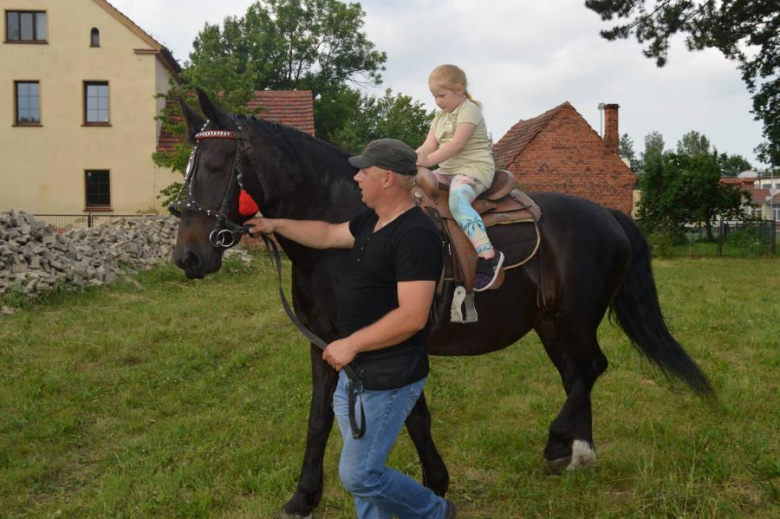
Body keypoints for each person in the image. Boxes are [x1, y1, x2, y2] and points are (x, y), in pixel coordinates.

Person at [246, 138, 456, 519]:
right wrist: (275, 224)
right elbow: (327, 235)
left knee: (359, 475)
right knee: (363, 467)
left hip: (389, 374)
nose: (356, 176)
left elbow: (413, 317)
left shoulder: (415, 235)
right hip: (356, 376)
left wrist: (351, 343)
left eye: (364, 171)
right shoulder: (371, 221)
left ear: (387, 178)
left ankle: (435, 511)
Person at [416, 64, 504, 292]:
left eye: (442, 95)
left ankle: (488, 255)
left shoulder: (469, 111)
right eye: (434, 96)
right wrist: (409, 159)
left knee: (457, 200)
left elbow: (457, 144)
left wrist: (427, 161)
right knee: (416, 191)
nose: (438, 101)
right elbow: (427, 146)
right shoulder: (438, 118)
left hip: (474, 169)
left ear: (460, 89)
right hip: (447, 171)